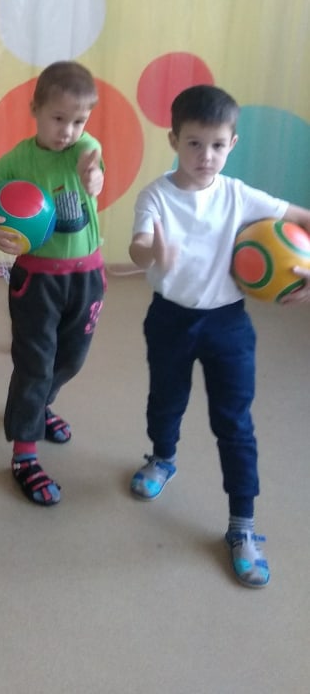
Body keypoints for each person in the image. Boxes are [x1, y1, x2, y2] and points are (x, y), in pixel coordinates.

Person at [128, 84, 310, 588]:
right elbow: (139, 245)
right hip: (169, 319)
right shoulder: (156, 196)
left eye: (217, 145)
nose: (205, 156)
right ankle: (162, 458)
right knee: (165, 400)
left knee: (234, 422)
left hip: (228, 324)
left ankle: (242, 526)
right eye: (193, 143)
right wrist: (153, 252)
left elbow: (301, 217)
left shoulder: (238, 194)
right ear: (173, 140)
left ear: (233, 144)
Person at [0, 61, 105, 507]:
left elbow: (94, 167)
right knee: (34, 364)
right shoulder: (19, 159)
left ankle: (39, 406)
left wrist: (95, 177)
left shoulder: (85, 148)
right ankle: (24, 453)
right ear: (35, 110)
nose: (68, 130)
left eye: (79, 120)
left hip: (87, 275)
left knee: (71, 359)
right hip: (37, 280)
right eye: (58, 118)